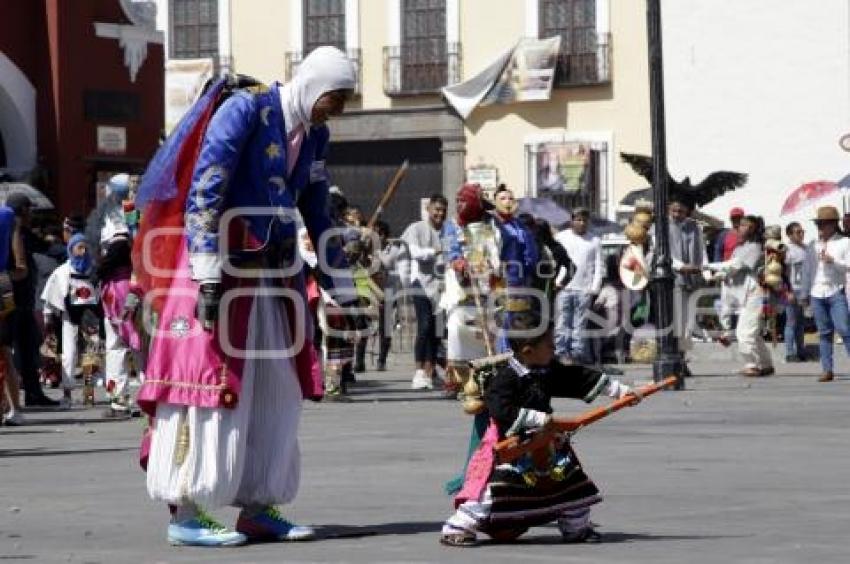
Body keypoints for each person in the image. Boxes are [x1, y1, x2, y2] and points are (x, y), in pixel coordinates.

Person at [135, 46, 356, 546]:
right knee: (205, 387)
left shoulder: (316, 135)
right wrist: (207, 268)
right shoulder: (247, 109)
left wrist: (341, 278)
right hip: (218, 273)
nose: (334, 109)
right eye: (332, 98)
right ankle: (186, 512)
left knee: (274, 387)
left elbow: (317, 207)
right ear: (313, 83)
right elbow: (206, 186)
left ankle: (258, 506)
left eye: (340, 101)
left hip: (274, 278)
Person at [439, 308, 638, 546]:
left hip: (549, 445)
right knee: (495, 493)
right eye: (549, 345)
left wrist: (619, 392)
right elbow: (501, 411)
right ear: (528, 351)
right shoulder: (505, 378)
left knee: (569, 486)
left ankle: (576, 528)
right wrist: (537, 419)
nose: (554, 349)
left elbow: (577, 377)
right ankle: (458, 527)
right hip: (515, 448)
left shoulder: (547, 370)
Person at [441, 183, 501, 400]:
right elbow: (450, 249)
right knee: (457, 328)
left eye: (463, 200)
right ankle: (457, 377)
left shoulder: (490, 224)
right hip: (460, 286)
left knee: (484, 330)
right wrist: (459, 263)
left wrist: (490, 266)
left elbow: (495, 249)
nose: (459, 205)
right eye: (457, 200)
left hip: (485, 283)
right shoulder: (452, 225)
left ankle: (482, 376)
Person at [6, 194, 58, 406]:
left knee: (28, 346)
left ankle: (33, 392)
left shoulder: (21, 232)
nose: (32, 215)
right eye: (29, 210)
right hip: (14, 299)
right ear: (23, 211)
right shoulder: (15, 232)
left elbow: (46, 247)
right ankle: (16, 397)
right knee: (14, 349)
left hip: (22, 299)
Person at [704, 215, 773, 377]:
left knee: (745, 333)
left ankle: (752, 364)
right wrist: (716, 275)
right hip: (741, 294)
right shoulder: (739, 248)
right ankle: (766, 364)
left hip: (753, 293)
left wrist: (705, 265)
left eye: (746, 225)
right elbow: (730, 270)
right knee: (753, 333)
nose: (741, 228)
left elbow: (735, 265)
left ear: (753, 230)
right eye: (741, 225)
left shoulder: (755, 247)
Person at [40, 233, 102, 408]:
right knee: (69, 354)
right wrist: (47, 316)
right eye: (79, 247)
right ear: (71, 249)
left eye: (85, 247)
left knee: (92, 356)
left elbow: (100, 290)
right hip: (70, 317)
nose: (83, 251)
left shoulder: (93, 270)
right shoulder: (62, 271)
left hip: (91, 318)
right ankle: (67, 394)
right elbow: (51, 293)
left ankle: (89, 395)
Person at [652, 195, 704, 373]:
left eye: (680, 211)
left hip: (693, 280)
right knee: (677, 323)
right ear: (668, 210)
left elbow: (701, 250)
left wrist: (706, 269)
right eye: (673, 210)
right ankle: (677, 360)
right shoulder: (661, 227)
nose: (676, 214)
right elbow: (660, 252)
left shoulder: (693, 226)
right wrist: (682, 266)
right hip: (674, 280)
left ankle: (682, 359)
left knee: (689, 323)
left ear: (687, 212)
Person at [402, 194, 449, 390]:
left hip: (442, 285)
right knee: (424, 325)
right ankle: (419, 370)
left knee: (436, 330)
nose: (439, 213)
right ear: (429, 209)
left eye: (443, 210)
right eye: (436, 209)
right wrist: (437, 252)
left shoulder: (449, 230)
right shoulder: (416, 228)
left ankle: (431, 370)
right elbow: (415, 253)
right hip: (419, 281)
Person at [806, 206, 850, 382]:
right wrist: (804, 293)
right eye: (818, 224)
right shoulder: (813, 245)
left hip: (835, 290)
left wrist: (833, 261)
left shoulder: (844, 242)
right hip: (817, 292)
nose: (820, 227)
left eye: (823, 224)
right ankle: (827, 369)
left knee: (845, 330)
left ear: (833, 224)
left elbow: (848, 265)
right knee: (824, 333)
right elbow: (807, 270)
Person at [553, 207, 601, 364]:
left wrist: (594, 287)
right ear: (572, 221)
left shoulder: (594, 241)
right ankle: (561, 353)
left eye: (584, 220)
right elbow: (555, 261)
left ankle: (576, 355)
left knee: (579, 324)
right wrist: (556, 281)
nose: (581, 223)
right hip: (564, 287)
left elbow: (599, 266)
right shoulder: (561, 237)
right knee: (562, 322)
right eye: (578, 219)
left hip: (584, 288)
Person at [714, 207, 744, 346]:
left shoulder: (747, 235)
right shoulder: (724, 235)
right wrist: (717, 271)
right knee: (726, 304)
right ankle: (726, 331)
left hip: (742, 274)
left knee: (742, 304)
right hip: (726, 273)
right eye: (734, 218)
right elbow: (718, 252)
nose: (736, 221)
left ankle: (740, 331)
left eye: (739, 218)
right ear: (731, 219)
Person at [783, 222, 812, 362]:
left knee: (801, 322)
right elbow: (784, 272)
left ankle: (801, 350)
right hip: (792, 288)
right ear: (789, 234)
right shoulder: (787, 250)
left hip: (804, 289)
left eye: (802, 231)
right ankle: (789, 352)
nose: (801, 234)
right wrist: (788, 291)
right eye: (797, 232)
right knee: (791, 321)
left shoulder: (807, 248)